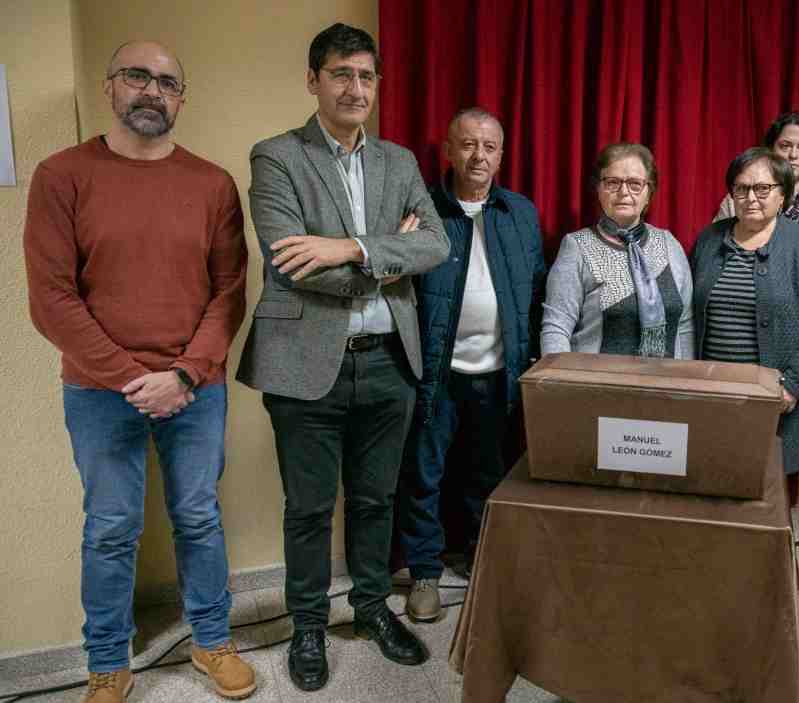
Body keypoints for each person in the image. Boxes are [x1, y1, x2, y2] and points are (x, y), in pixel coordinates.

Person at [23, 41, 255, 702]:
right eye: (137, 76)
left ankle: (212, 642)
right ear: (110, 87)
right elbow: (52, 300)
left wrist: (181, 376)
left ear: (181, 99)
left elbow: (229, 293)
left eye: (167, 82)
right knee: (111, 526)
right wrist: (133, 378)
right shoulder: (61, 174)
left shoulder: (212, 184)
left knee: (199, 516)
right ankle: (107, 662)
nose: (152, 91)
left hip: (196, 388)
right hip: (100, 392)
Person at [235, 23, 450, 691]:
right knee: (306, 506)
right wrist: (387, 252)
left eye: (365, 76)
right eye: (340, 75)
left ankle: (369, 608)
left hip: (389, 359)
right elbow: (291, 262)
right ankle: (306, 624)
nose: (355, 88)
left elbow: (436, 244)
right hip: (305, 362)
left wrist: (348, 248)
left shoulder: (400, 161)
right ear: (313, 80)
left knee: (375, 499)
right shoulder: (276, 156)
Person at [395, 107, 546, 623]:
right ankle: (424, 574)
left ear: (501, 154)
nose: (478, 156)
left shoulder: (520, 212)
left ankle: (485, 562)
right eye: (467, 144)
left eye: (489, 147)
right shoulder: (422, 210)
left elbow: (536, 287)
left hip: (499, 373)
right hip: (435, 375)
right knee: (425, 475)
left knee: (489, 474)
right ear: (447, 150)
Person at [691, 147, 799, 507]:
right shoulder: (710, 240)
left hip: (775, 401)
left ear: (782, 194)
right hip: (713, 396)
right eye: (741, 188)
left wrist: (791, 385)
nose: (751, 198)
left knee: (768, 503)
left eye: (762, 188)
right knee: (712, 490)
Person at [541, 143, 693, 358]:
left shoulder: (669, 245)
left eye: (635, 184)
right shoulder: (576, 247)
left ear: (649, 192)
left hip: (665, 386)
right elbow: (556, 327)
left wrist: (687, 384)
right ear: (599, 189)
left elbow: (685, 326)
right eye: (612, 183)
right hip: (596, 387)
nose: (624, 192)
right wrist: (559, 385)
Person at [715, 111, 799, 285]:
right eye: (785, 146)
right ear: (771, 149)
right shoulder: (737, 199)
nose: (793, 155)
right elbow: (714, 258)